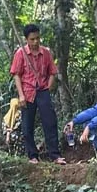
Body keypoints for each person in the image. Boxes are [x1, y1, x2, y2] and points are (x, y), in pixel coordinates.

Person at [10, 24, 66, 165]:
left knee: (50, 122)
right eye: (32, 39)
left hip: (42, 91)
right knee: (27, 125)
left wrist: (48, 86)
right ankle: (32, 156)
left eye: (37, 38)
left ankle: (55, 155)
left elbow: (52, 71)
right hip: (27, 93)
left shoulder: (46, 52)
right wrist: (21, 95)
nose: (35, 42)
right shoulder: (20, 53)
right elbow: (16, 75)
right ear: (27, 40)